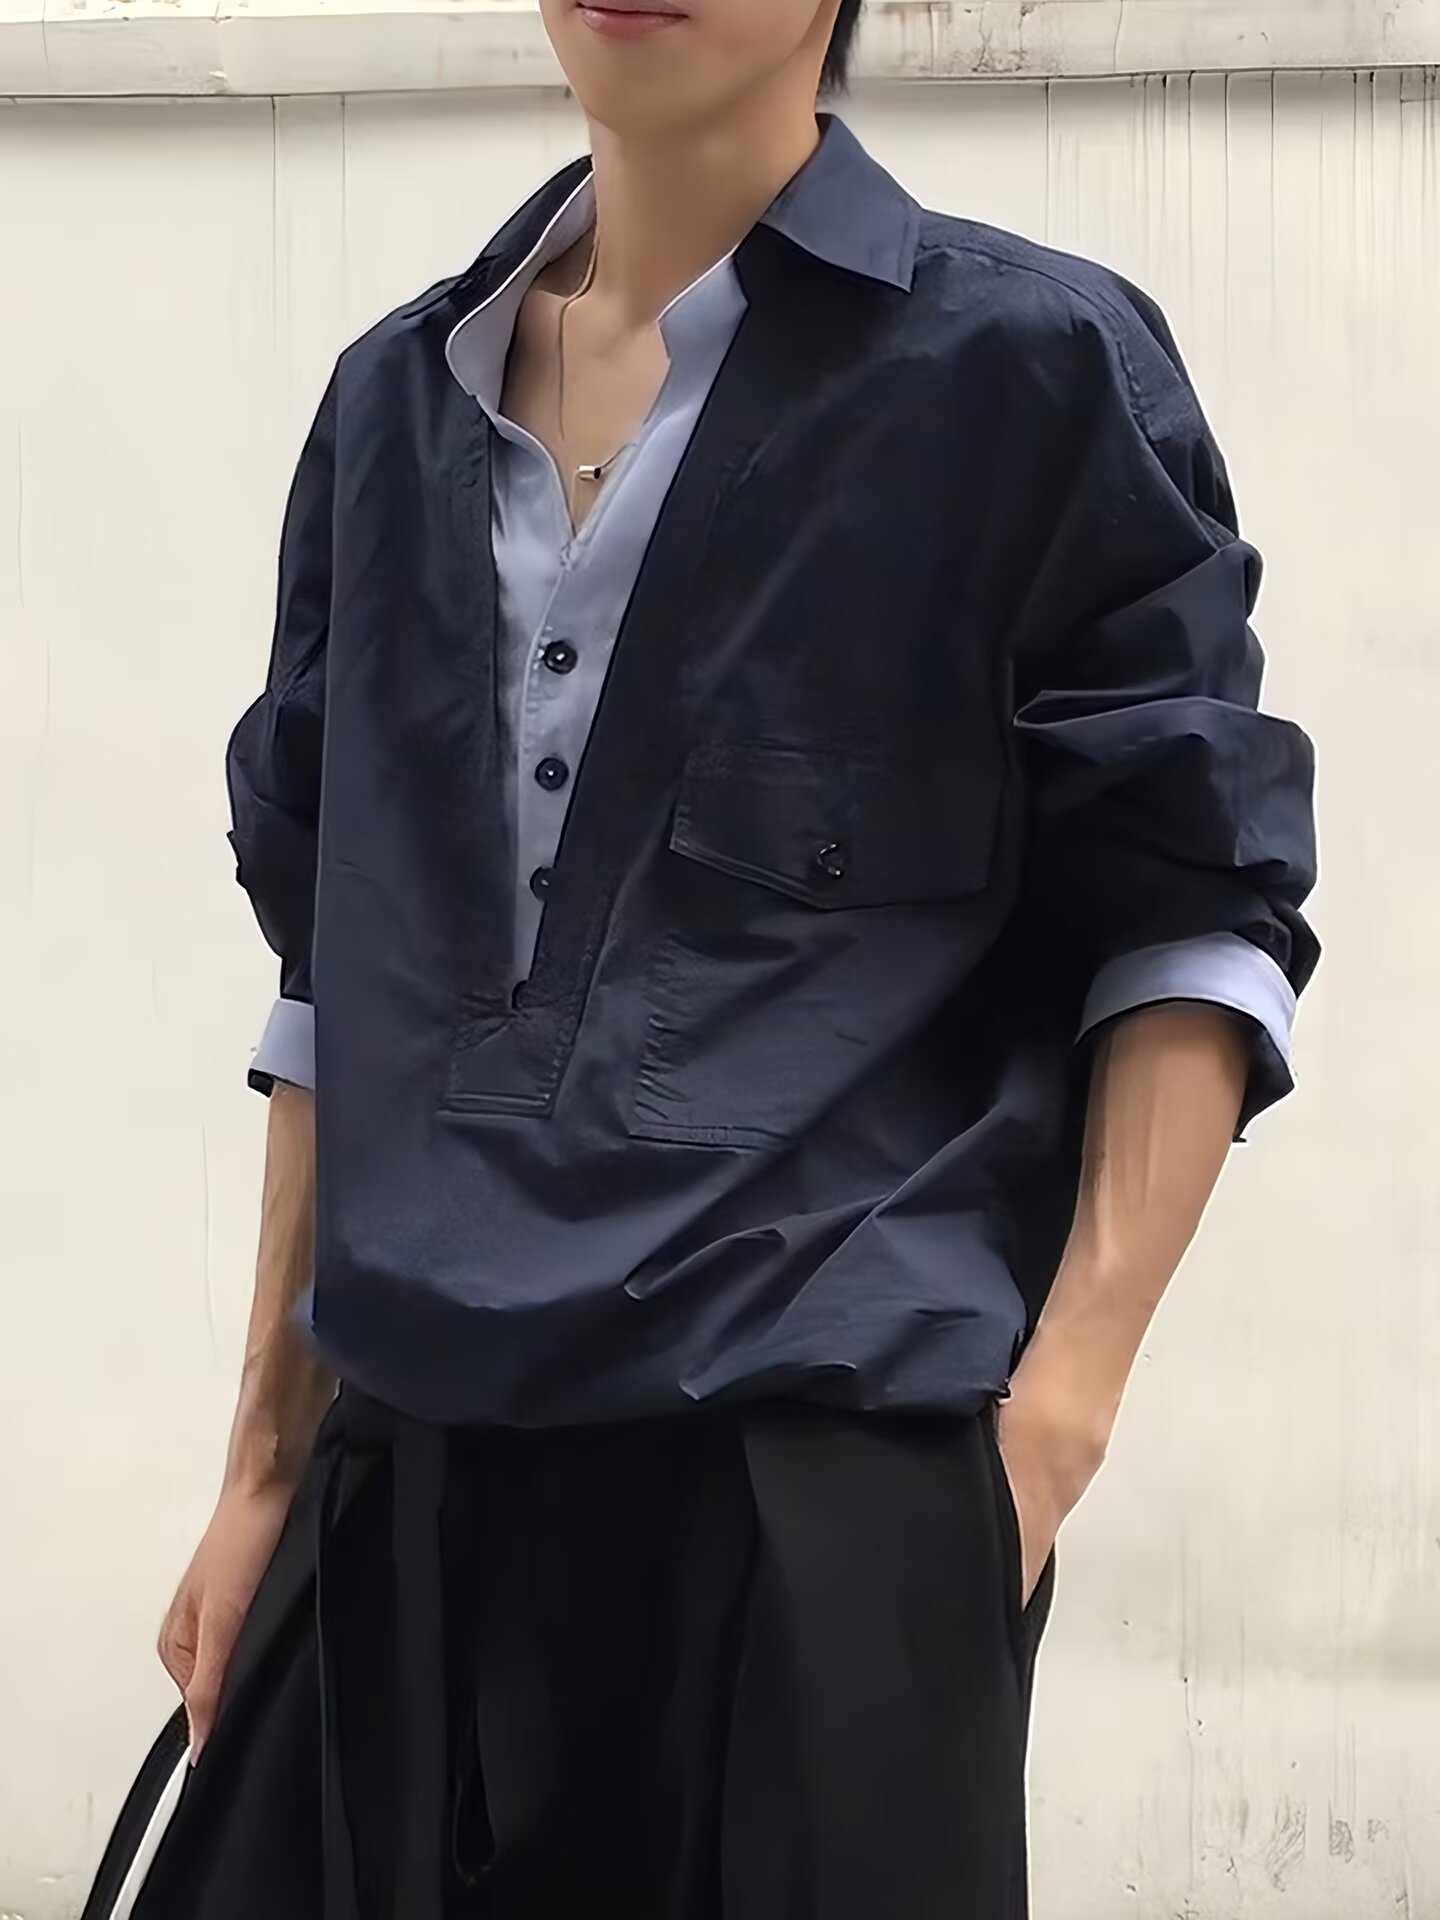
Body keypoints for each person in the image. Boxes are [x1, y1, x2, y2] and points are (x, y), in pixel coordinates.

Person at [126, 0, 1318, 1914]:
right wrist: (263, 1460)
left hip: (812, 1492)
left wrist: (1045, 1437)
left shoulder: (1026, 371)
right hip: (402, 1489)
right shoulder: (391, 407)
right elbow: (335, 965)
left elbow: (1188, 906)